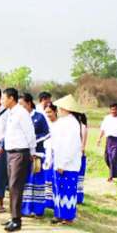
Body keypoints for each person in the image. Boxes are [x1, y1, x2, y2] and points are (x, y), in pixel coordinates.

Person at [1, 88, 36, 232]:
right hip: (10, 153)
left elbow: (30, 133)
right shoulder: (10, 113)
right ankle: (13, 216)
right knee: (11, 185)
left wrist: (32, 151)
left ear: (11, 98)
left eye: (4, 98)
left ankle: (17, 221)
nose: (2, 101)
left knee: (15, 186)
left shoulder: (21, 113)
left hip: (20, 153)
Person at [47, 95, 84, 224]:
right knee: (58, 189)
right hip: (59, 161)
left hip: (68, 164)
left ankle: (68, 217)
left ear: (65, 108)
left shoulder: (72, 123)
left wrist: (63, 163)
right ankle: (59, 214)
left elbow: (71, 146)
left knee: (68, 191)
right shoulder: (63, 121)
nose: (58, 110)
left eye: (59, 108)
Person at [19, 93, 51, 217]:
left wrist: (34, 140)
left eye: (22, 104)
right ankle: (25, 209)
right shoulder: (20, 117)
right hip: (23, 153)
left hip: (37, 153)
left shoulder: (39, 117)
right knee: (25, 180)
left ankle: (38, 210)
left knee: (36, 179)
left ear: (29, 103)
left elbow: (47, 133)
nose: (20, 107)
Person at [97, 103, 117, 182]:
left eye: (115, 110)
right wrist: (99, 139)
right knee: (107, 158)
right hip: (109, 140)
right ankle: (116, 173)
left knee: (113, 158)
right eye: (112, 109)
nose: (113, 111)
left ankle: (111, 176)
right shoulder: (107, 118)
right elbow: (103, 129)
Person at [43, 103, 58, 211]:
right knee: (47, 176)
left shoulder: (60, 124)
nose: (48, 114)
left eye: (50, 112)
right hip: (46, 152)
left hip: (56, 153)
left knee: (54, 177)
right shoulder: (46, 124)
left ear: (55, 111)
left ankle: (54, 200)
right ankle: (47, 200)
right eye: (46, 112)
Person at [71, 111, 89, 204]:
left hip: (78, 153)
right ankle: (78, 196)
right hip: (77, 153)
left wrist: (81, 150)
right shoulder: (79, 126)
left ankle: (78, 196)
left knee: (78, 177)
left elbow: (83, 143)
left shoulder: (82, 126)